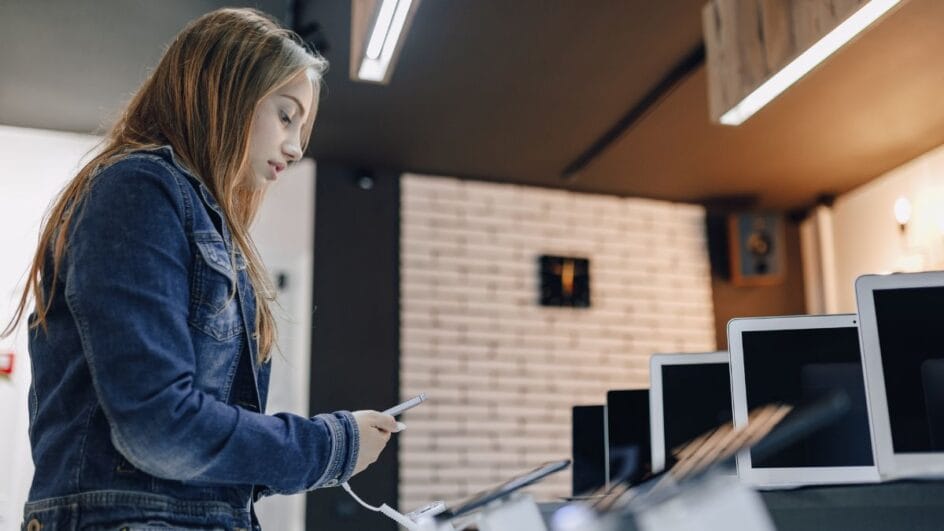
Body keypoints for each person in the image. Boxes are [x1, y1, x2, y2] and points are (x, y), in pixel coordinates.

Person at [1, 8, 398, 530]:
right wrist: (330, 445)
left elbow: (192, 454)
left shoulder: (194, 217)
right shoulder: (139, 189)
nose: (297, 147)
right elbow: (159, 427)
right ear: (228, 91)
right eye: (286, 114)